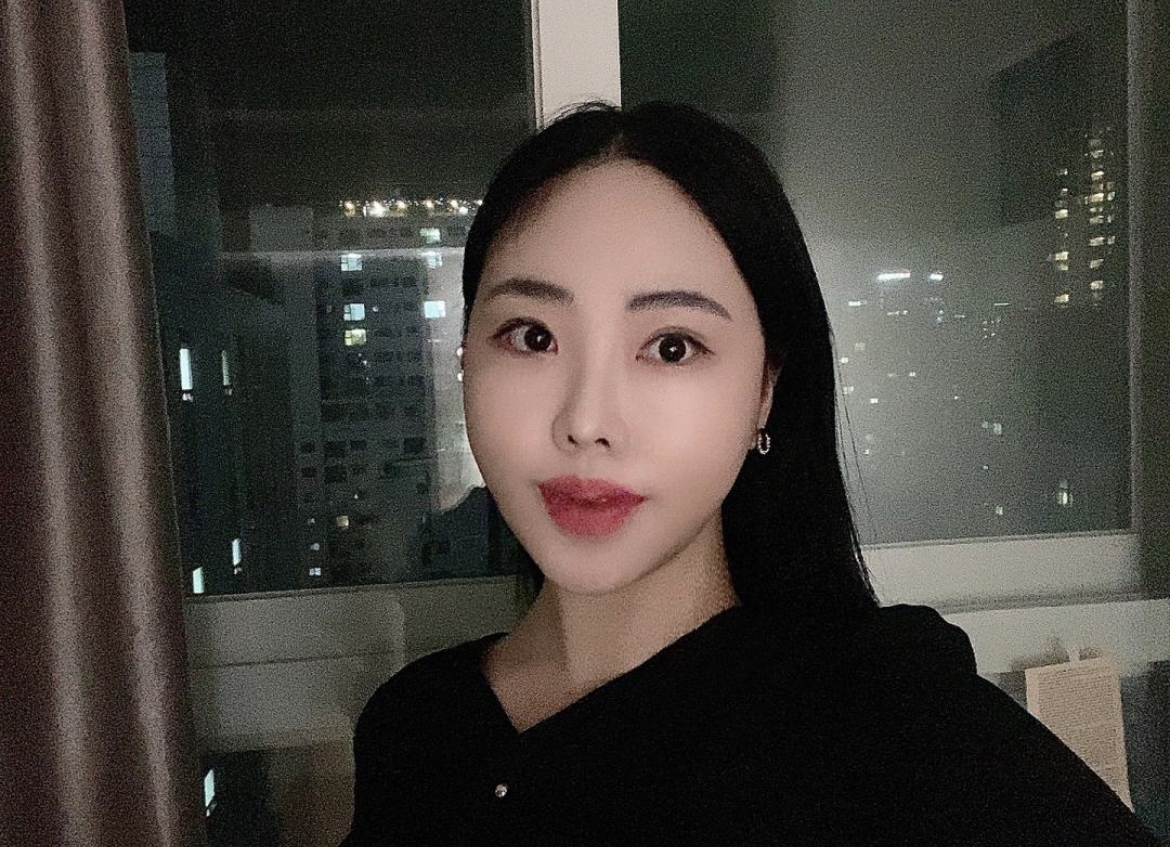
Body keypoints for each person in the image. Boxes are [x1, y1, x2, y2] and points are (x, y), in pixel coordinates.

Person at [340, 101, 1159, 846]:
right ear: (465, 358)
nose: (586, 421)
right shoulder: (417, 725)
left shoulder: (886, 728)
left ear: (766, 387)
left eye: (671, 347)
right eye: (532, 336)